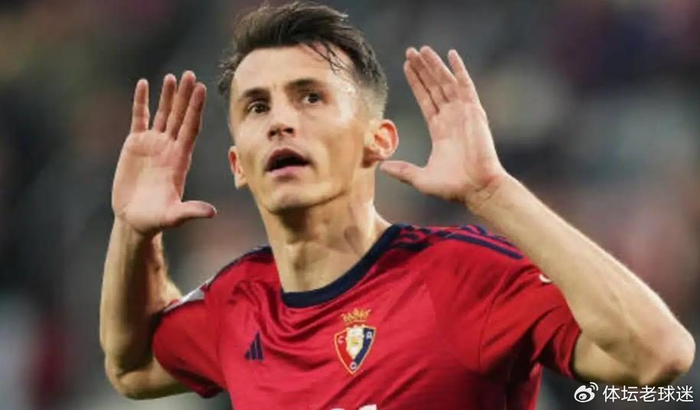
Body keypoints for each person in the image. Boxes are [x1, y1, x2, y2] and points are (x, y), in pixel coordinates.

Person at [99, 2, 695, 409]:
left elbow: (658, 358)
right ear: (238, 165)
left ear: (378, 141)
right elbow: (131, 367)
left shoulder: (459, 276)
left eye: (310, 97)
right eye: (257, 107)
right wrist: (132, 231)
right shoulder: (237, 302)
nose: (280, 121)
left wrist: (494, 192)